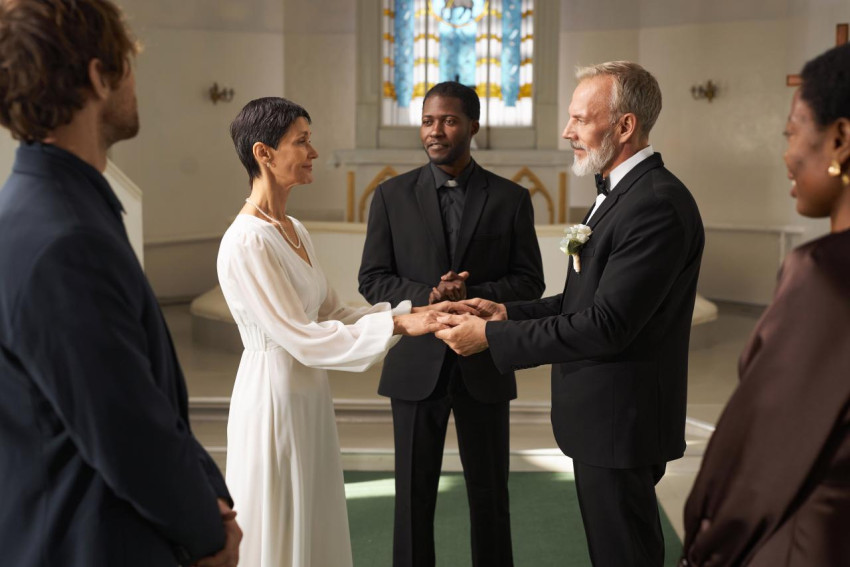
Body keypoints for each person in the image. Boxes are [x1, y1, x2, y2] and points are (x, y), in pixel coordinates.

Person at [0, 1, 240, 566]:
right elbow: (127, 432)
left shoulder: (53, 208)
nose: (135, 80)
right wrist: (208, 532)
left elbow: (142, 396)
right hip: (91, 543)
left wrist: (211, 490)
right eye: (127, 64)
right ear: (96, 76)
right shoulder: (66, 238)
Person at [436, 62, 705, 567]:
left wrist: (492, 340)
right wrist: (505, 313)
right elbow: (584, 302)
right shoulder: (618, 194)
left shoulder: (655, 203)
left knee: (624, 554)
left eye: (581, 119)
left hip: (621, 421)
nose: (568, 131)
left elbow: (607, 326)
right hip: (602, 418)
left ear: (624, 126)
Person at [218, 96, 450, 567]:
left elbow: (333, 314)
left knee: (314, 510)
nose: (313, 152)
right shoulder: (246, 240)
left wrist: (416, 313)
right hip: (274, 396)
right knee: (282, 512)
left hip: (307, 395)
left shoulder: (294, 229)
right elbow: (300, 337)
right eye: (301, 141)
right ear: (263, 153)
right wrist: (400, 323)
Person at [358, 81, 545, 567]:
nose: (435, 130)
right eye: (427, 120)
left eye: (448, 120)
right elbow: (373, 279)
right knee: (412, 496)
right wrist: (428, 298)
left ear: (473, 126)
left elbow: (529, 282)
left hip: (484, 360)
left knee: (490, 494)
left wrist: (476, 296)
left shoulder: (511, 199)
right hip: (416, 367)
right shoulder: (390, 197)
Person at [679, 43, 850, 567]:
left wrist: (702, 550)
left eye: (791, 131)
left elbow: (755, 470)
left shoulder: (826, 276)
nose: (786, 152)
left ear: (840, 139)